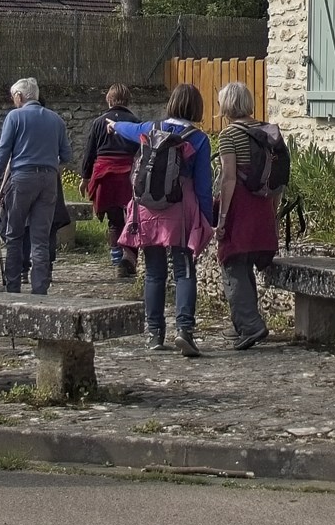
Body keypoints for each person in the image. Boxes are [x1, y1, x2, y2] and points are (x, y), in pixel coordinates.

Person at [115, 82, 214, 357]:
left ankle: (154, 333)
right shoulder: (198, 139)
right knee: (183, 270)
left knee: (154, 272)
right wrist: (206, 219)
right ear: (196, 107)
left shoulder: (151, 129)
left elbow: (128, 129)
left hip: (147, 210)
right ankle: (184, 331)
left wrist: (114, 125)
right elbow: (204, 185)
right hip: (180, 211)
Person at [0, 78, 71, 295]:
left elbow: (3, 153)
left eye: (13, 97)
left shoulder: (15, 116)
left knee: (14, 235)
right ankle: (39, 289)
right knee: (40, 238)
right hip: (49, 179)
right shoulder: (56, 120)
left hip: (22, 178)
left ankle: (13, 287)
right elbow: (66, 155)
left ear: (19, 96)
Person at [211, 81, 283, 351]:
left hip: (240, 206)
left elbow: (228, 179)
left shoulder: (229, 135)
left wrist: (222, 218)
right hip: (263, 205)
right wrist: (273, 212)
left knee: (232, 263)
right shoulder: (270, 131)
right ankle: (241, 324)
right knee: (245, 264)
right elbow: (279, 178)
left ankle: (251, 325)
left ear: (227, 105)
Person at [78, 85, 140, 279]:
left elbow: (90, 153)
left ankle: (116, 258)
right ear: (128, 100)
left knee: (114, 219)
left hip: (105, 176)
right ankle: (129, 257)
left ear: (109, 100)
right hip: (129, 176)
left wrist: (84, 178)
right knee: (132, 218)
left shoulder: (98, 123)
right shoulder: (136, 122)